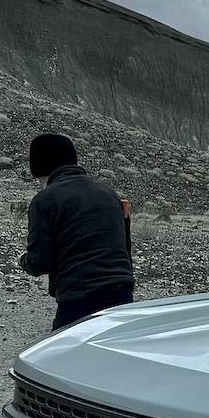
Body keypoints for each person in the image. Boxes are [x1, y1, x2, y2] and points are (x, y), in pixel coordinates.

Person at [19, 133, 134, 330]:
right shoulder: (108, 193)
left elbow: (39, 262)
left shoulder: (45, 200)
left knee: (60, 355)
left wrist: (23, 261)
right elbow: (125, 247)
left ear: (40, 168)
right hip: (122, 289)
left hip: (79, 294)